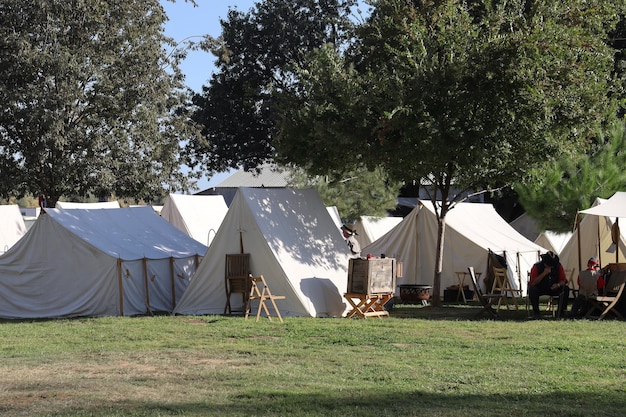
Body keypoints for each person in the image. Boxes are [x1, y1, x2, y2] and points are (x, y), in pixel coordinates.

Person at [528, 251, 569, 318]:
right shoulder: (537, 266)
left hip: (553, 288)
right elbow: (533, 282)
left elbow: (563, 280)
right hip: (540, 288)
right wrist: (544, 273)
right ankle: (536, 312)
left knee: (565, 289)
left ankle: (560, 312)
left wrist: (558, 285)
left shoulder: (558, 266)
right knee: (532, 289)